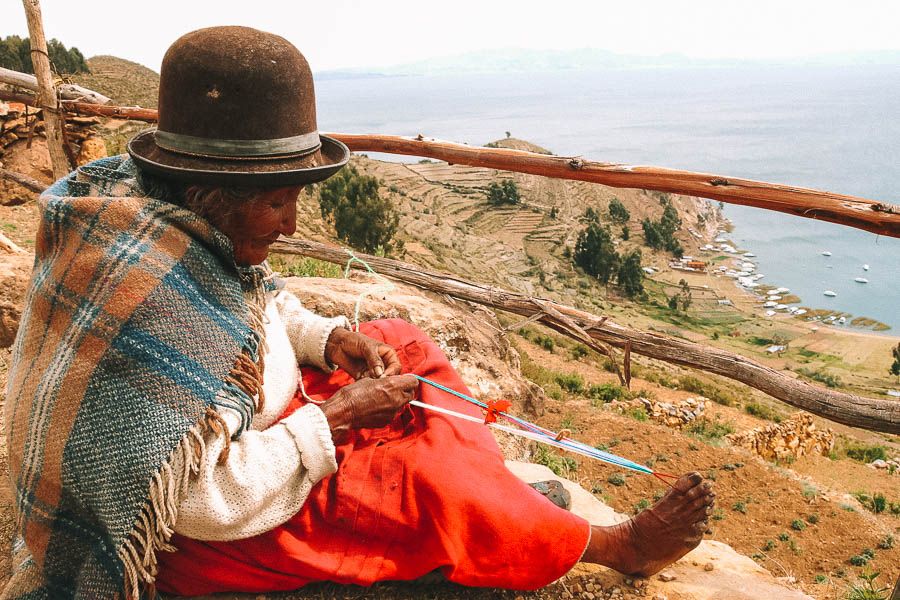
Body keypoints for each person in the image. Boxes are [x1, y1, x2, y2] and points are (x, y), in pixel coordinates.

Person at [2, 26, 714, 599]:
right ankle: (614, 548)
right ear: (210, 191)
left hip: (257, 420)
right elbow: (198, 500)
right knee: (426, 488)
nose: (289, 223)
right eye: (278, 200)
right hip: (205, 533)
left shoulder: (169, 225)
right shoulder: (153, 286)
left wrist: (327, 339)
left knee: (397, 339)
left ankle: (482, 487)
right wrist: (338, 420)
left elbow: (259, 306)